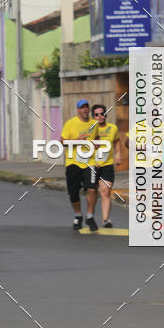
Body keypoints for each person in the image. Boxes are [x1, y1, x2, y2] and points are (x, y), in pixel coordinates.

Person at [61, 99, 99, 231]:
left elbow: (97, 139)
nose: (85, 110)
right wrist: (76, 141)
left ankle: (89, 216)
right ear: (78, 110)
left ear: (89, 109)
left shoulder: (94, 124)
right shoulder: (70, 124)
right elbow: (62, 142)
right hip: (73, 163)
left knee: (92, 189)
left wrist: (97, 147)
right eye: (82, 108)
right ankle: (78, 215)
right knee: (73, 193)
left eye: (86, 107)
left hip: (90, 162)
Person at [91, 104, 121, 228]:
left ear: (106, 115)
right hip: (92, 165)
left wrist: (118, 154)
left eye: (102, 113)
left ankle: (105, 220)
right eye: (97, 114)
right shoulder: (89, 128)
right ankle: (89, 216)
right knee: (92, 192)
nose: (100, 116)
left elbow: (117, 141)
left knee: (105, 191)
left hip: (107, 164)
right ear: (93, 116)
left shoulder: (113, 128)